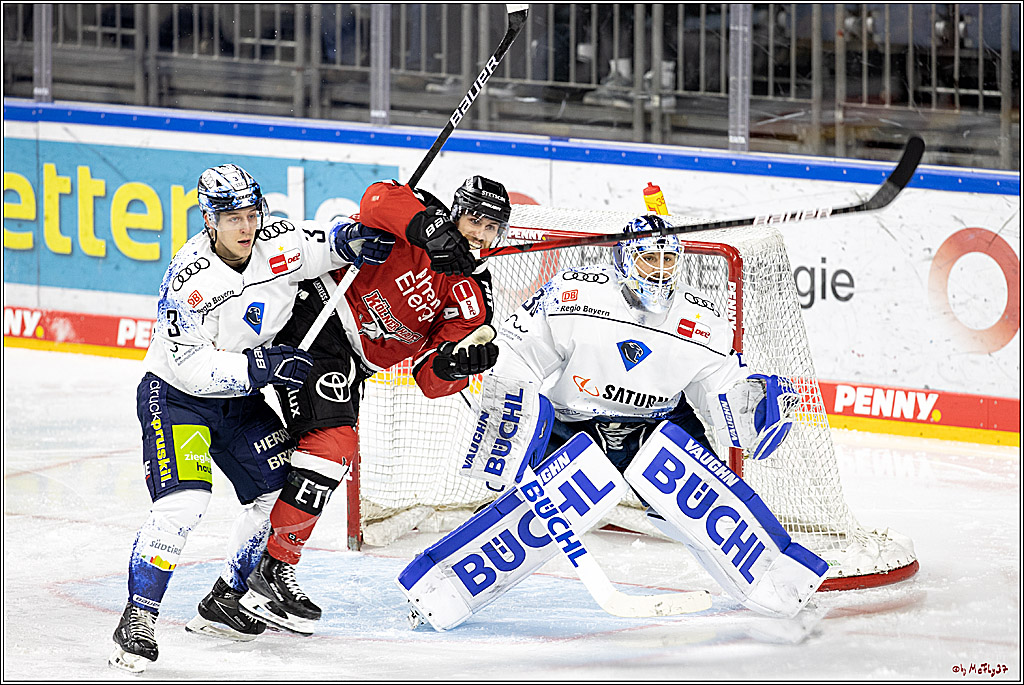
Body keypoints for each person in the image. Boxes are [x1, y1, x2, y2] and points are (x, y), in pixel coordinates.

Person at [397, 215, 820, 630]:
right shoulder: (575, 293)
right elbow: (518, 352)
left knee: (708, 506)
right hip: (573, 425)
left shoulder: (703, 318)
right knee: (531, 520)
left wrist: (753, 407)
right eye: (647, 260)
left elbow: (721, 389)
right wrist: (512, 415)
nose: (658, 271)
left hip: (657, 426)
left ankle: (778, 581)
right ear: (623, 261)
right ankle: (442, 587)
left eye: (667, 261)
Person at [108, 163, 394, 674]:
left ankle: (227, 597)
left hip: (237, 402)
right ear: (209, 220)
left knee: (278, 490)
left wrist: (353, 240)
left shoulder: (277, 240)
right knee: (185, 503)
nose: (246, 226)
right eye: (232, 216)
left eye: (251, 212)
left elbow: (325, 246)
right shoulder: (188, 280)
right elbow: (187, 363)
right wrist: (258, 366)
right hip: (178, 399)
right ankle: (138, 618)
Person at [230, 175, 511, 635]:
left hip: (352, 362)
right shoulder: (422, 215)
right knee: (332, 445)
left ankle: (233, 592)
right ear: (456, 211)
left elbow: (427, 379)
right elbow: (376, 198)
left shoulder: (475, 296)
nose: (480, 234)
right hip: (318, 313)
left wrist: (460, 368)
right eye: (474, 219)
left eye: (492, 227)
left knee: (330, 454)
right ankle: (271, 571)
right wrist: (429, 231)